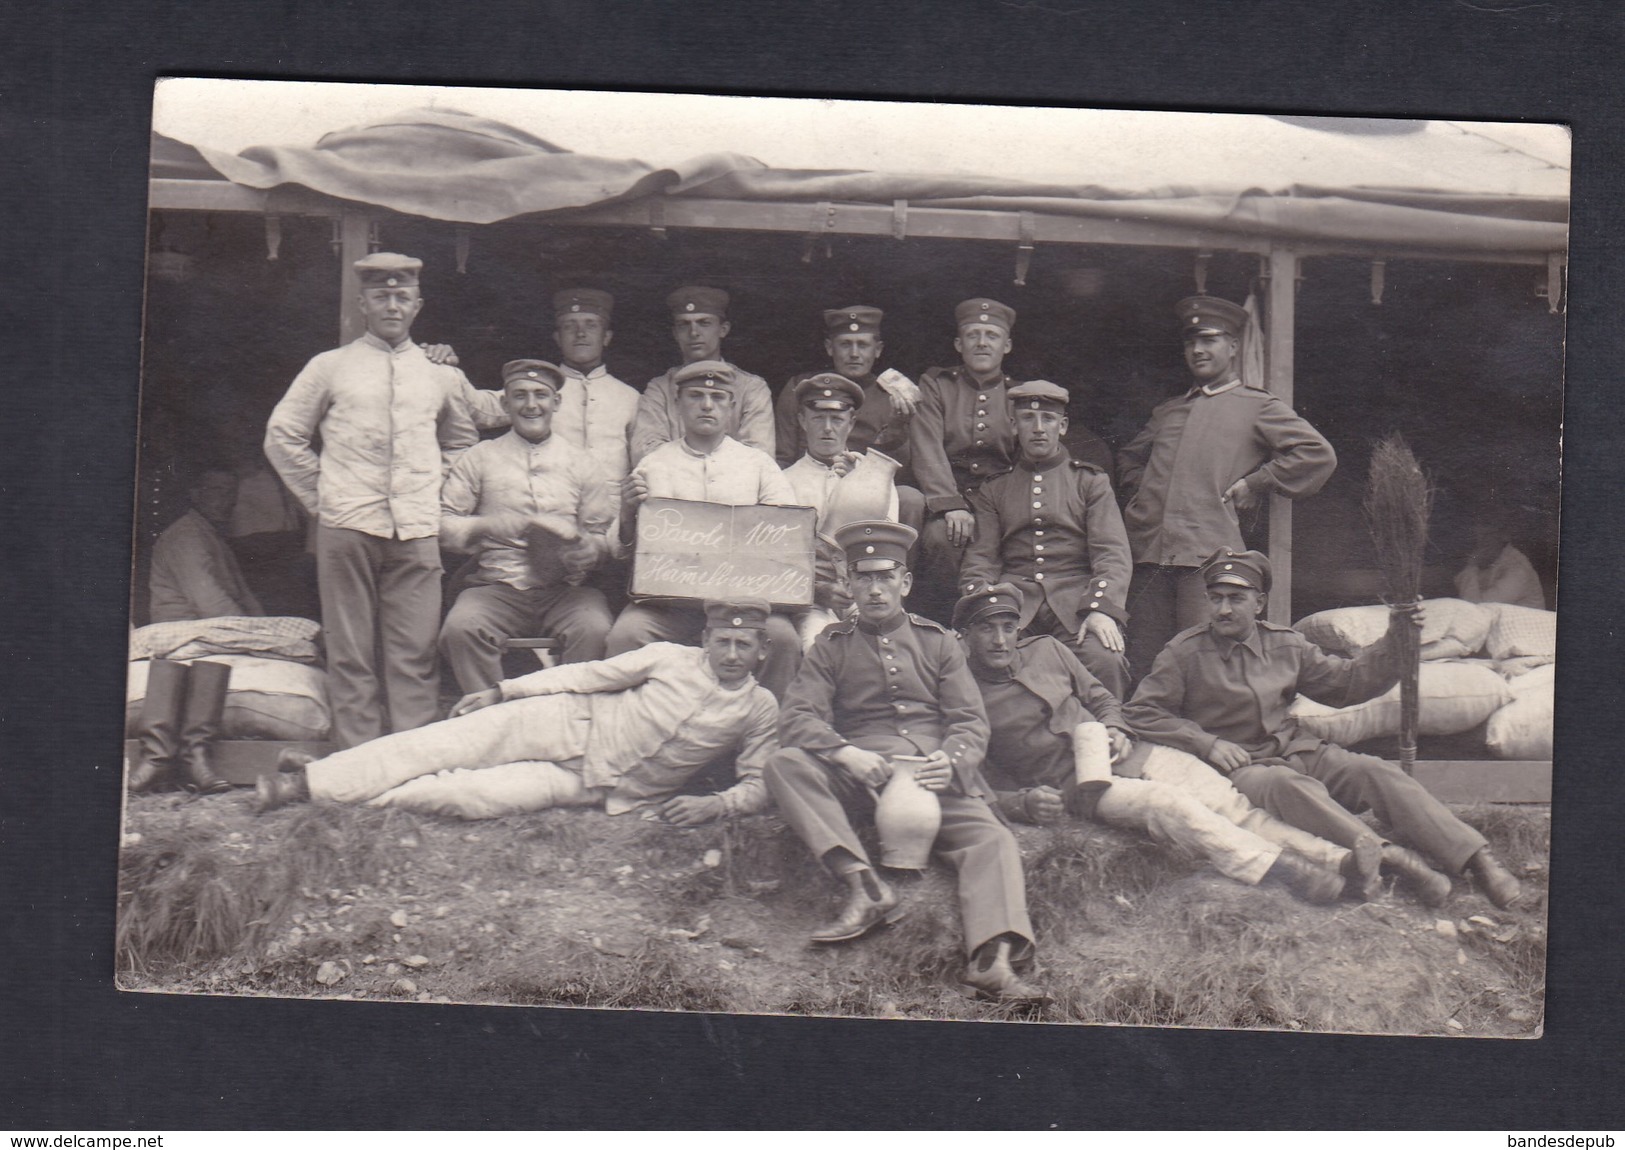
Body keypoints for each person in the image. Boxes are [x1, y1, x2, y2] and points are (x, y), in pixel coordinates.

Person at [1122, 548, 1524, 909]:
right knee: (1286, 785)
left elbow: (1348, 685)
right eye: (1216, 598)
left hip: (1299, 750)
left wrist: (1397, 638)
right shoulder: (1185, 652)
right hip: (1242, 767)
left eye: (1236, 598)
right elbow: (1141, 712)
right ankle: (1393, 859)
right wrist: (1206, 743)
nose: (1223, 609)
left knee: (1375, 771)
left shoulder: (1287, 645)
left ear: (1260, 603)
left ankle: (1476, 859)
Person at [765, 520, 1048, 1004]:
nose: (875, 589)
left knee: (991, 837)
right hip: (862, 775)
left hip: (932, 773)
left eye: (886, 577)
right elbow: (796, 717)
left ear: (906, 583)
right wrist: (844, 753)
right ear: (850, 583)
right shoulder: (831, 645)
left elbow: (969, 722)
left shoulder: (939, 643)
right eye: (865, 578)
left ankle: (991, 963)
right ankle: (865, 888)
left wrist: (951, 762)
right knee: (785, 764)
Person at [955, 584, 1365, 904]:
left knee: (1229, 802)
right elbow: (975, 781)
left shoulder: (1047, 649)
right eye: (986, 629)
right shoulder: (963, 696)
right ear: (965, 636)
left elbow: (1101, 697)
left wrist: (1115, 727)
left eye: (1008, 627)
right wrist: (1022, 802)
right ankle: (1285, 871)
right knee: (1169, 807)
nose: (1000, 640)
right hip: (1080, 787)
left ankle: (1336, 860)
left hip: (1134, 753)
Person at [254, 599, 780, 824]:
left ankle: (330, 786)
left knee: (462, 795)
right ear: (706, 638)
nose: (732, 654)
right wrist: (503, 692)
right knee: (438, 744)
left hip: (590, 786)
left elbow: (759, 782)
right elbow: (582, 674)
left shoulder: (760, 709)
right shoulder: (668, 657)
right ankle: (297, 789)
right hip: (567, 720)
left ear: (762, 651)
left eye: (744, 645)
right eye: (723, 640)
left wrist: (718, 807)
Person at [264, 252, 479, 748]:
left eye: (401, 296)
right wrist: (325, 497)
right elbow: (283, 436)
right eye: (380, 296)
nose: (391, 305)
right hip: (346, 525)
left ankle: (408, 757)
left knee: (414, 650)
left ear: (417, 305)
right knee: (351, 650)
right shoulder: (329, 367)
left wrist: (431, 490)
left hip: (416, 530)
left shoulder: (438, 374)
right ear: (363, 303)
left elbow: (461, 441)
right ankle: (357, 759)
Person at [1118, 296, 1337, 682]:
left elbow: (1317, 454)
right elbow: (1130, 458)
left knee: (1205, 665)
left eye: (1210, 340)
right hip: (1148, 555)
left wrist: (1256, 482)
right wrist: (1144, 494)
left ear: (1233, 347)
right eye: (1191, 343)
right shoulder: (1169, 411)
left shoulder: (1256, 406)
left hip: (1207, 558)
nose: (1198, 350)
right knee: (1146, 664)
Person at [608, 360, 804, 698]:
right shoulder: (655, 464)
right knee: (625, 635)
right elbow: (617, 550)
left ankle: (773, 735)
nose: (707, 405)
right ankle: (634, 730)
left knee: (782, 638)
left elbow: (787, 536)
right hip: (669, 607)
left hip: (741, 606)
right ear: (678, 404)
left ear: (731, 406)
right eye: (695, 396)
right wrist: (627, 514)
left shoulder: (758, 466)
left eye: (718, 397)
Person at [437, 359, 618, 693]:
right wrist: (486, 525)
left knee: (595, 628)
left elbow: (602, 534)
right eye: (519, 396)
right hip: (496, 586)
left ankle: (565, 717)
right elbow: (443, 525)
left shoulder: (582, 462)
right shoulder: (480, 457)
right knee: (460, 628)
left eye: (541, 395)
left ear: (556, 403)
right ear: (505, 404)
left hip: (566, 591)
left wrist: (591, 550)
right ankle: (491, 719)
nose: (531, 405)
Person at [960, 379, 1133, 701]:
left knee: (1105, 658)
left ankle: (1111, 735)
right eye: (1028, 418)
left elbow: (1112, 554)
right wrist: (985, 606)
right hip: (1014, 606)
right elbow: (981, 558)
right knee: (972, 658)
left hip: (1076, 604)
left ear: (1063, 425)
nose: (1038, 428)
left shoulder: (1090, 482)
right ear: (1014, 425)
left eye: (1048, 419)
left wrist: (1100, 609)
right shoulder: (995, 488)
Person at [773, 305, 924, 534]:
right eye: (845, 344)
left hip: (870, 491)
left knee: (910, 499)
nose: (854, 353)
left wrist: (895, 430)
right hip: (807, 481)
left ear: (878, 349)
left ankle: (898, 570)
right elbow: (783, 455)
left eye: (862, 345)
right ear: (829, 347)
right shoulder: (800, 388)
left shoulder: (892, 396)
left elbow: (902, 471)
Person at [780, 373, 898, 648]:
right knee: (816, 648)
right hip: (810, 602)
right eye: (818, 418)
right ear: (802, 421)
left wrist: (860, 486)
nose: (828, 428)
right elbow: (779, 561)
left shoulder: (874, 476)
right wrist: (819, 591)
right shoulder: (784, 481)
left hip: (870, 595)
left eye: (837, 419)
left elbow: (888, 547)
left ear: (852, 422)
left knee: (887, 650)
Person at [630, 286, 773, 465]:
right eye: (684, 324)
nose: (694, 333)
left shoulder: (751, 387)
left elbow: (760, 456)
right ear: (675, 333)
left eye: (704, 323)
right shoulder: (659, 388)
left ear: (723, 329)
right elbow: (646, 454)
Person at [547, 288, 640, 488]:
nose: (580, 334)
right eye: (570, 326)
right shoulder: (539, 391)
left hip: (613, 510)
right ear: (558, 338)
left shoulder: (629, 397)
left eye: (591, 325)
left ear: (606, 337)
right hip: (552, 502)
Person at [149, 466, 264, 623]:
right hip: (184, 629)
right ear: (195, 494)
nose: (227, 500)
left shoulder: (212, 535)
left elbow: (245, 596)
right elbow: (210, 603)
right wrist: (255, 633)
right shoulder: (185, 535)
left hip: (213, 625)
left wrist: (265, 626)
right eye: (217, 490)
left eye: (231, 492)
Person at [1454, 513, 1546, 610]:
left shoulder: (1518, 569)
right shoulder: (1491, 560)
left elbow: (1475, 609)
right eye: (1478, 536)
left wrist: (1471, 566)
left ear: (1504, 536)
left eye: (1487, 535)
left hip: (1523, 624)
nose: (1481, 542)